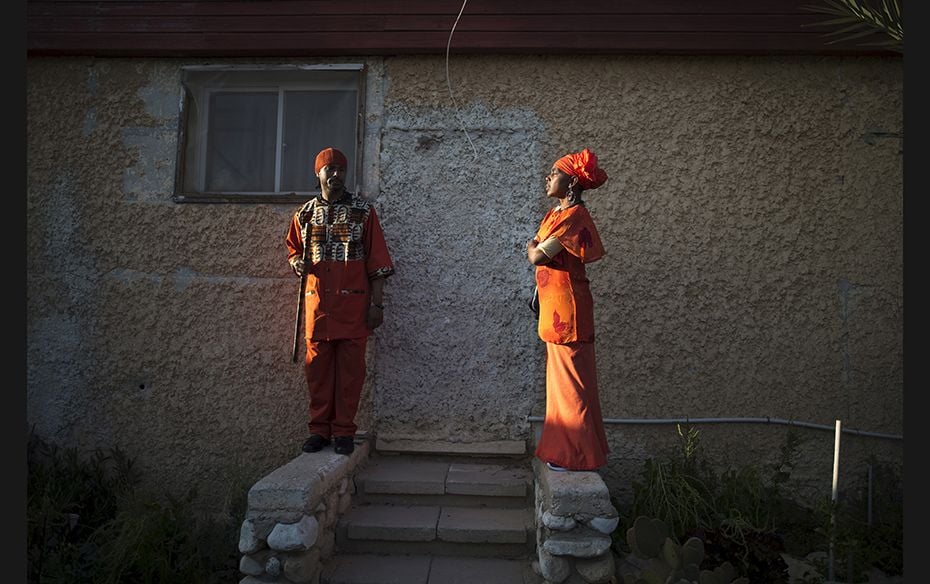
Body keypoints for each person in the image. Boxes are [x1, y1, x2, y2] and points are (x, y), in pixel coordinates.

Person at [285, 147, 394, 456]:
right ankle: (319, 430)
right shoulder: (304, 214)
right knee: (317, 370)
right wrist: (296, 262)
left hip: (353, 308)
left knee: (350, 373)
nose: (336, 175)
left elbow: (378, 262)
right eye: (329, 169)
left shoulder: (363, 211)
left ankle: (344, 430)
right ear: (317, 173)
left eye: (341, 170)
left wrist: (377, 305)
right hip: (318, 306)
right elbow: (293, 248)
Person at [526, 147, 610, 472]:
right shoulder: (555, 215)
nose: (548, 177)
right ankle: (565, 451)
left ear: (572, 182)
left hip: (569, 314)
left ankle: (575, 456)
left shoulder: (574, 217)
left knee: (573, 388)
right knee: (560, 388)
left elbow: (537, 255)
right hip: (553, 310)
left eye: (555, 172)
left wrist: (532, 248)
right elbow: (540, 251)